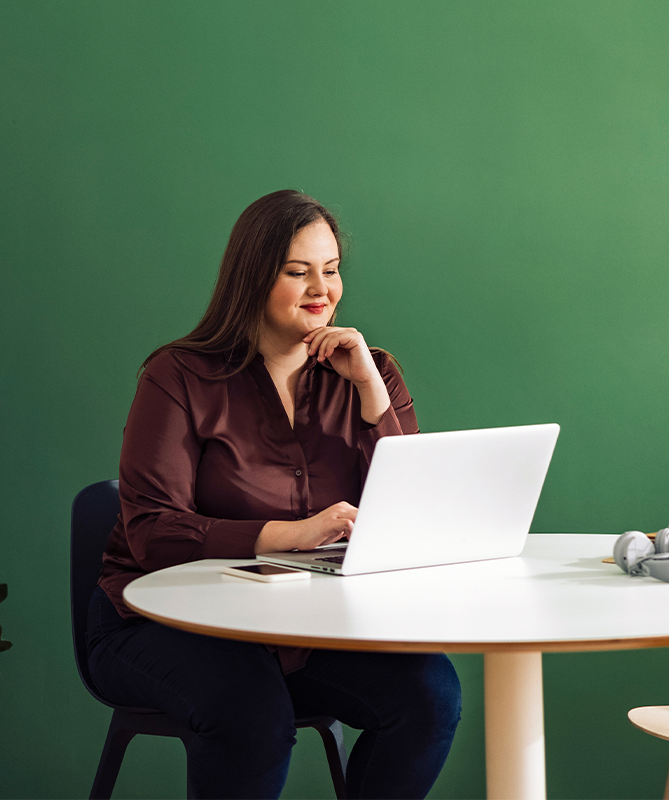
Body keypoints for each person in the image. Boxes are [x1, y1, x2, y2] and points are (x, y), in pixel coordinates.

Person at [87, 189, 461, 800]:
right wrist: (281, 535)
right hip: (161, 623)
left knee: (429, 696)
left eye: (332, 269)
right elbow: (151, 531)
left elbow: (412, 518)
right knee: (251, 718)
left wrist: (371, 394)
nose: (322, 288)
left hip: (305, 628)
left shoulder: (372, 371)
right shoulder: (178, 376)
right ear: (253, 277)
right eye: (298, 271)